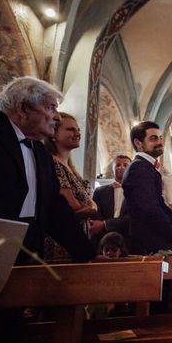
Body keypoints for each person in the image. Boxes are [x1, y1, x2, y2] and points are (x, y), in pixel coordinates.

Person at [0, 76, 94, 343]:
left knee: (9, 333)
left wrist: (85, 253)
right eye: (51, 107)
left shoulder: (39, 151)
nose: (56, 115)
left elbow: (54, 209)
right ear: (24, 108)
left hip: (27, 250)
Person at [44, 111, 98, 261]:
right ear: (54, 134)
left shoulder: (70, 168)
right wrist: (90, 208)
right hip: (61, 239)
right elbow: (70, 205)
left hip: (79, 235)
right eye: (70, 129)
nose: (77, 133)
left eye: (78, 130)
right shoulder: (54, 164)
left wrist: (89, 207)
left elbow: (88, 204)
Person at [122, 121, 172, 255]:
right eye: (153, 138)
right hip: (149, 244)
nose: (159, 142)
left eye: (160, 138)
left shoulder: (146, 167)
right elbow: (150, 208)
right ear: (138, 143)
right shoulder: (139, 167)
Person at [90, 154, 131, 239]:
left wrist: (106, 224)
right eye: (118, 165)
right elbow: (95, 214)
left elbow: (133, 217)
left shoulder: (136, 192)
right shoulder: (99, 191)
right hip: (103, 236)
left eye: (125, 165)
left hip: (128, 236)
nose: (121, 167)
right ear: (113, 169)